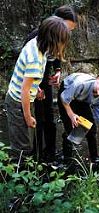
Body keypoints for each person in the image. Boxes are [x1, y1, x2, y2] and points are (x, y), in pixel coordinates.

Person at [4, 16, 70, 162]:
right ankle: (18, 179)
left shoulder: (37, 44)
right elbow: (24, 90)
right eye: (62, 41)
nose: (63, 45)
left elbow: (28, 81)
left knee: (27, 140)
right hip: (17, 103)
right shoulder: (36, 58)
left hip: (22, 99)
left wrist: (37, 89)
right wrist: (27, 117)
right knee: (22, 147)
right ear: (54, 40)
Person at [24, 5, 77, 163]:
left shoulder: (60, 37)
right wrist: (36, 87)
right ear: (56, 21)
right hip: (35, 82)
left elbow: (58, 55)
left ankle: (51, 152)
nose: (68, 33)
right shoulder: (36, 36)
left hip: (46, 78)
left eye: (71, 30)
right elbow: (27, 65)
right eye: (67, 28)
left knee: (50, 117)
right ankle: (37, 156)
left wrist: (58, 70)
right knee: (38, 119)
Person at [57, 68, 99, 165]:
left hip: (82, 99)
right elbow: (64, 98)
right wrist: (71, 115)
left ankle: (94, 158)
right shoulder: (81, 83)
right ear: (98, 79)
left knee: (91, 128)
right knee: (70, 127)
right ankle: (67, 160)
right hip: (67, 93)